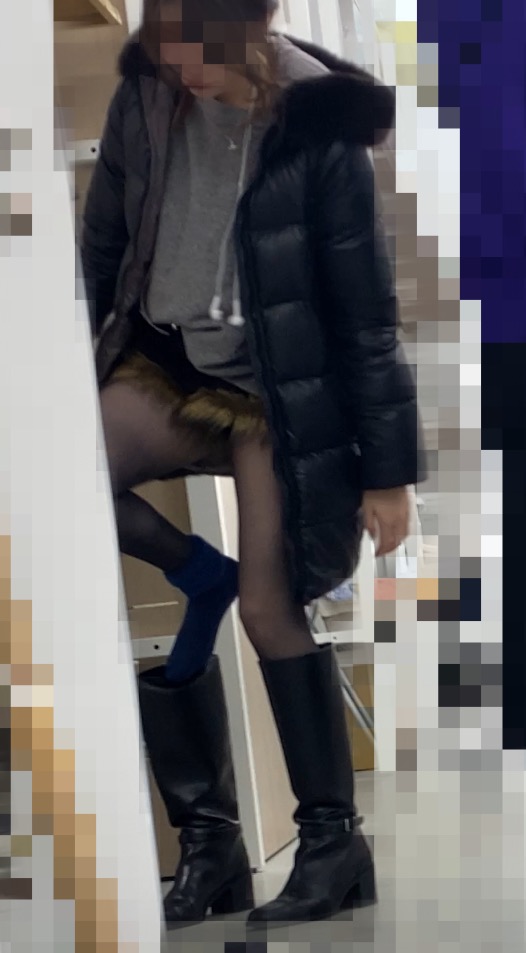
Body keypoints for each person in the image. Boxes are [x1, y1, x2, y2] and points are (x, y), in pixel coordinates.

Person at [82, 0, 426, 926]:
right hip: (172, 363)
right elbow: (104, 240)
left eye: (199, 50)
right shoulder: (147, 94)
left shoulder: (318, 125)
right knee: (67, 486)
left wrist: (388, 474)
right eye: (168, 46)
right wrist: (70, 366)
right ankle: (212, 844)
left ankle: (332, 843)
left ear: (250, 30)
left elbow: (364, 312)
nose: (181, 68)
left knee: (271, 609)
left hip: (281, 398)